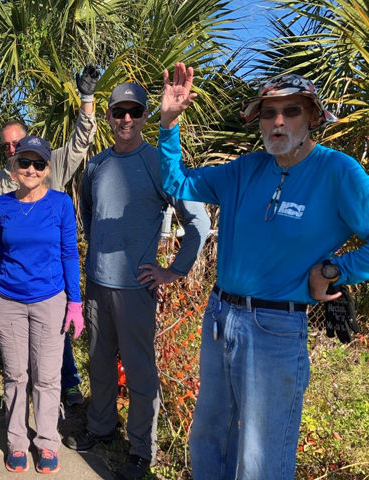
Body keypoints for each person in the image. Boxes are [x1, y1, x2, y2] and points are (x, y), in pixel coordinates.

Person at [157, 63, 369, 479]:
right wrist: (168, 123)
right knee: (208, 439)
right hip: (220, 317)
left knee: (261, 460)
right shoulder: (244, 169)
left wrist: (334, 269)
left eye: (290, 112)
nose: (278, 121)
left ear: (312, 116)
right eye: (269, 112)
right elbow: (176, 183)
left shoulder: (339, 172)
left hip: (276, 327)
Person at [65, 82, 210, 480]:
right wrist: (97, 257)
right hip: (97, 285)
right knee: (99, 363)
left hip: (136, 290)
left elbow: (198, 221)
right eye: (118, 112)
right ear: (109, 117)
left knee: (140, 372)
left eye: (134, 111)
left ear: (146, 116)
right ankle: (101, 428)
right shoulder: (96, 164)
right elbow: (89, 214)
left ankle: (141, 450)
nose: (126, 119)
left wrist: (175, 269)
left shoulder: (158, 163)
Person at [0, 135, 83, 473]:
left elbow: (69, 254)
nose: (30, 169)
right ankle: (16, 441)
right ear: (14, 166)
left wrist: (74, 304)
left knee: (47, 378)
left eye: (38, 163)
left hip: (50, 300)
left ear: (48, 169)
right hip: (8, 301)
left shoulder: (61, 204)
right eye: (24, 162)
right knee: (16, 375)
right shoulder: (2, 205)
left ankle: (47, 442)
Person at [0, 64, 99, 407]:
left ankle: (69, 382)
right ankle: (23, 397)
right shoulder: (0, 180)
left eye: (17, 144)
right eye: (7, 146)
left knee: (57, 337)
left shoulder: (50, 162)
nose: (13, 151)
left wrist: (86, 98)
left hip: (50, 276)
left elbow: (81, 140)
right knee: (23, 354)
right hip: (14, 281)